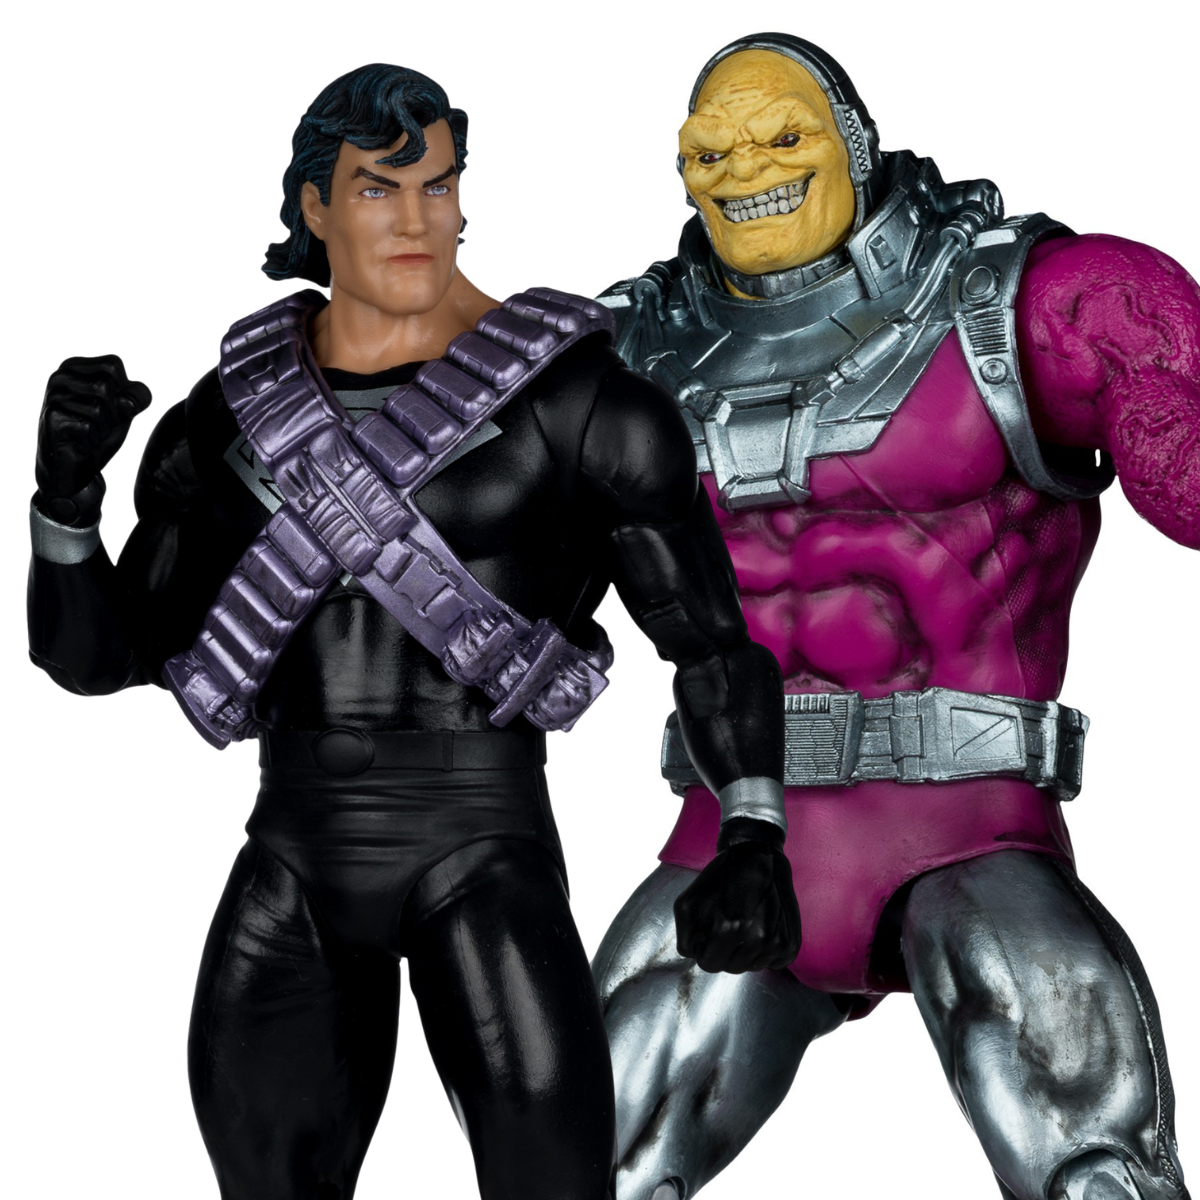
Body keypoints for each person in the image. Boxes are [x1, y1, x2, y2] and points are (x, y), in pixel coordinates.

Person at [27, 63, 799, 1200]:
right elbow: (101, 658)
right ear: (314, 206)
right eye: (378, 189)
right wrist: (64, 503)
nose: (416, 220)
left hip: (482, 843)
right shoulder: (230, 412)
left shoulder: (579, 404)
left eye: (437, 185)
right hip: (294, 849)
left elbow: (712, 645)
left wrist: (755, 834)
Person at [594, 33, 1195, 1200]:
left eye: (782, 138)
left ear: (855, 147)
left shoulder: (1036, 304)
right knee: (569, 1168)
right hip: (732, 843)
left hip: (968, 830)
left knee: (1096, 1179)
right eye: (709, 152)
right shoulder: (623, 353)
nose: (744, 171)